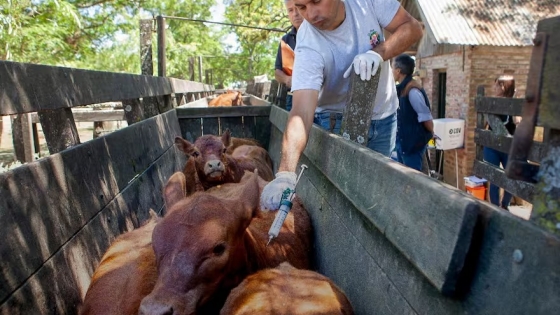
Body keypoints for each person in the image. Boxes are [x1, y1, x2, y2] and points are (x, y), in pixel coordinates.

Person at [261, 0, 423, 210]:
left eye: (316, 2)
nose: (310, 14)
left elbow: (412, 28)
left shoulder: (367, 3)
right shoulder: (308, 42)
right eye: (301, 7)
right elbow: (301, 112)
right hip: (334, 121)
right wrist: (285, 174)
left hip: (384, 116)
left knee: (378, 196)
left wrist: (377, 53)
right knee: (342, 202)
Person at [392, 54, 434, 171]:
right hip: (403, 144)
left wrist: (430, 133)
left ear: (398, 71)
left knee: (414, 180)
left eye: (393, 68)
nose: (392, 71)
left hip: (412, 145)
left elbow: (426, 118)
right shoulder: (401, 88)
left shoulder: (412, 90)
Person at [484, 75, 519, 210]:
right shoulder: (492, 102)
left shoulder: (515, 104)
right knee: (494, 178)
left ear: (503, 87)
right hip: (493, 145)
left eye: (496, 85)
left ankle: (504, 205)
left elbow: (517, 121)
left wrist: (513, 104)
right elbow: (488, 122)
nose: (494, 88)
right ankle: (495, 207)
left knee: (511, 176)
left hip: (508, 146)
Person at [274, 0, 303, 111]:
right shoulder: (285, 40)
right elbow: (277, 72)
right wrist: (287, 79)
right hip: (292, 97)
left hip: (318, 99)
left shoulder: (319, 33)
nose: (295, 14)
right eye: (290, 10)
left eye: (298, 8)